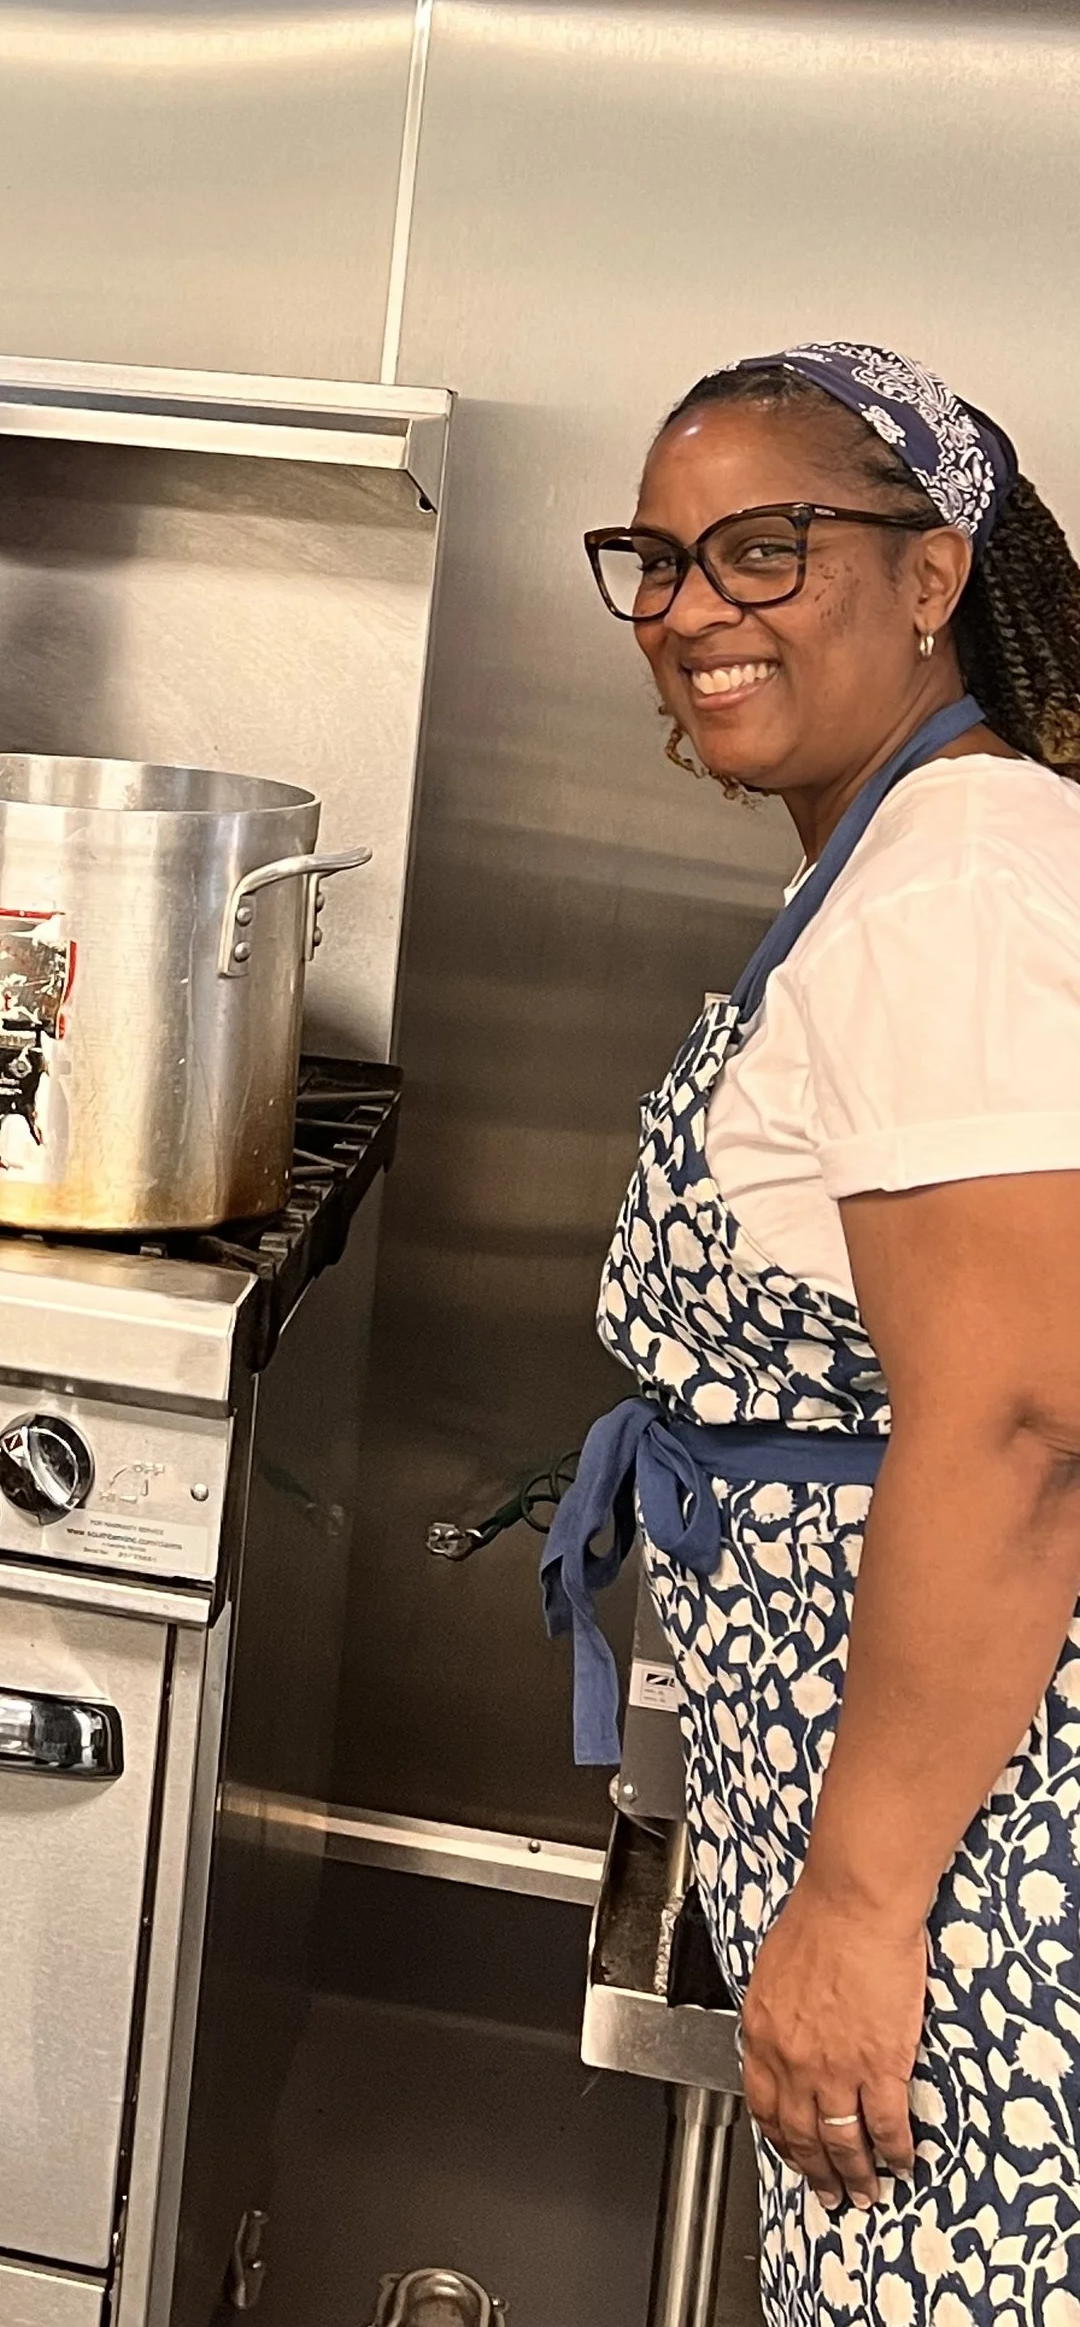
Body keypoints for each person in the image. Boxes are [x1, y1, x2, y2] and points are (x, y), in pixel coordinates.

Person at [543, 340, 1080, 2309]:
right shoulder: (916, 859)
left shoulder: (955, 881)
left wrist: (855, 1910)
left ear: (926, 577)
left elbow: (1019, 1419)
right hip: (936, 1836)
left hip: (985, 1874)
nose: (689, 608)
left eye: (760, 547)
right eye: (657, 559)